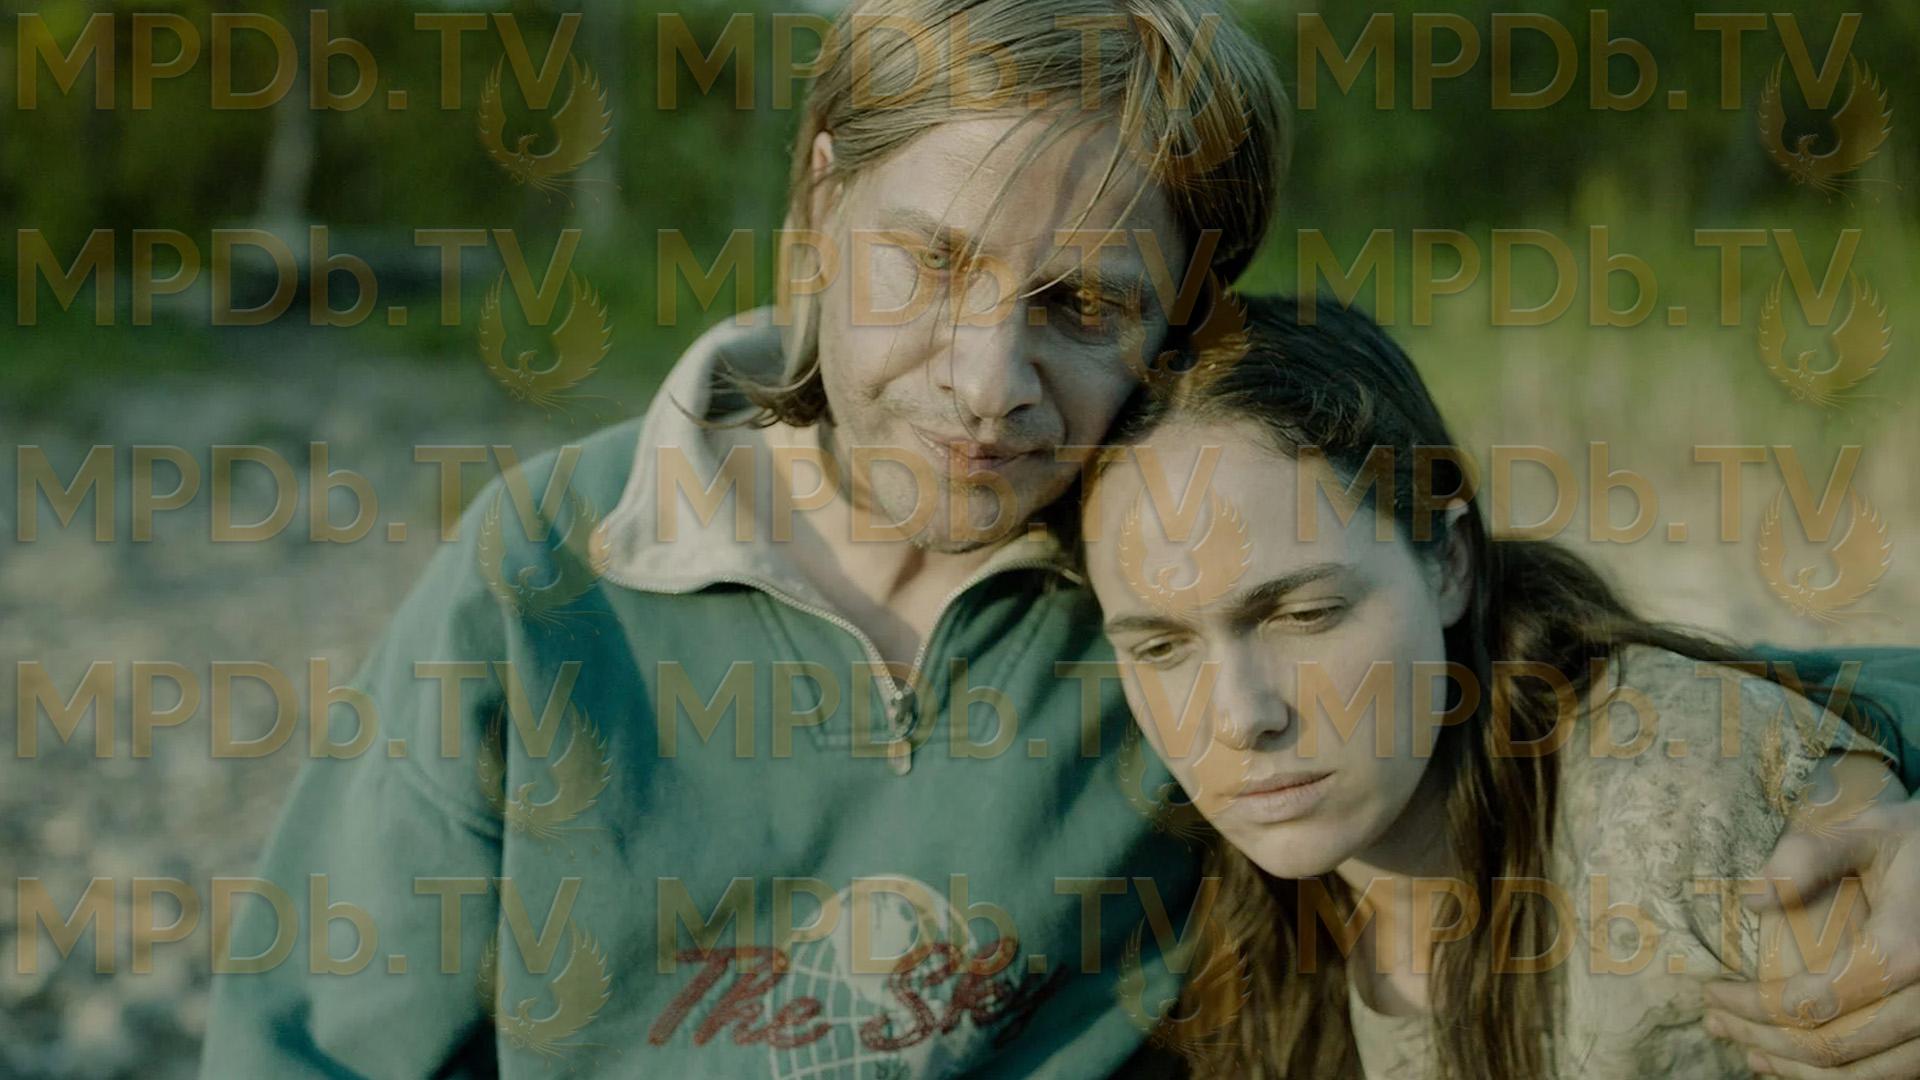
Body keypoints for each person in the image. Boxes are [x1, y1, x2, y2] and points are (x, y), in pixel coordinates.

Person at [202, 2, 1920, 1077]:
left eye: (1082, 305)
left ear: (1181, 312)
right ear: (821, 207)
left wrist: (1877, 802)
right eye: (929, 264)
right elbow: (312, 1039)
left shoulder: (1160, 595)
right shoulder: (548, 569)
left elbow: (1616, 683)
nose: (985, 385)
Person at [1080, 294, 1919, 1078]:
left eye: (1306, 615)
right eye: (1160, 647)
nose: (1238, 717)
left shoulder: (1700, 807)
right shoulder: (1181, 910)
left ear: (1449, 563)